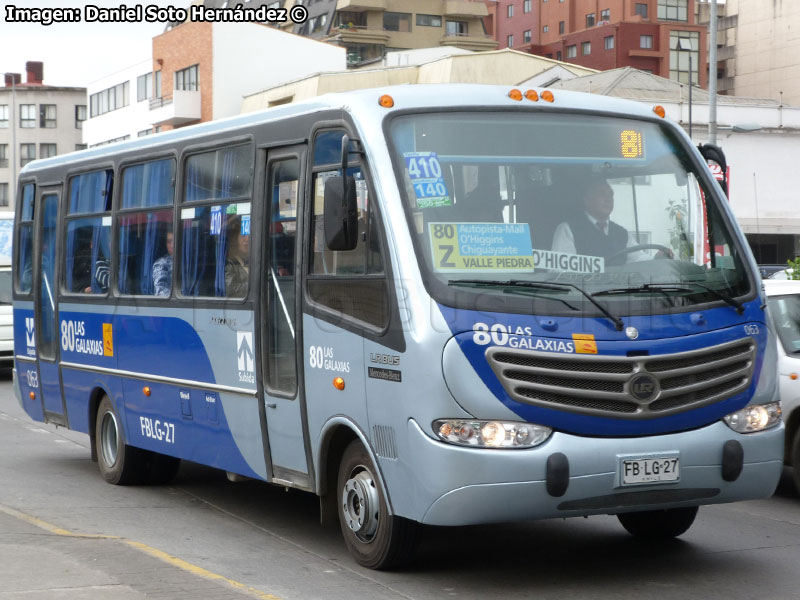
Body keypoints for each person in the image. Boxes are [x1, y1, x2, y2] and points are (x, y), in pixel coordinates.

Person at [551, 178, 665, 266]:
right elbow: (560, 271)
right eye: (602, 194)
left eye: (611, 195)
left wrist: (656, 259)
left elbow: (637, 259)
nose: (608, 199)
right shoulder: (568, 229)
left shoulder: (621, 233)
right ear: (587, 200)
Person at [226, 218, 250, 297]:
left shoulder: (252, 259)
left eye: (249, 235)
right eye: (243, 236)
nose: (247, 239)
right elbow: (230, 288)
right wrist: (255, 285)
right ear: (235, 239)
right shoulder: (230, 263)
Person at [152, 231, 174, 297]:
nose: (172, 245)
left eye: (175, 241)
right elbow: (161, 291)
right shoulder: (161, 264)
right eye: (169, 241)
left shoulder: (188, 262)